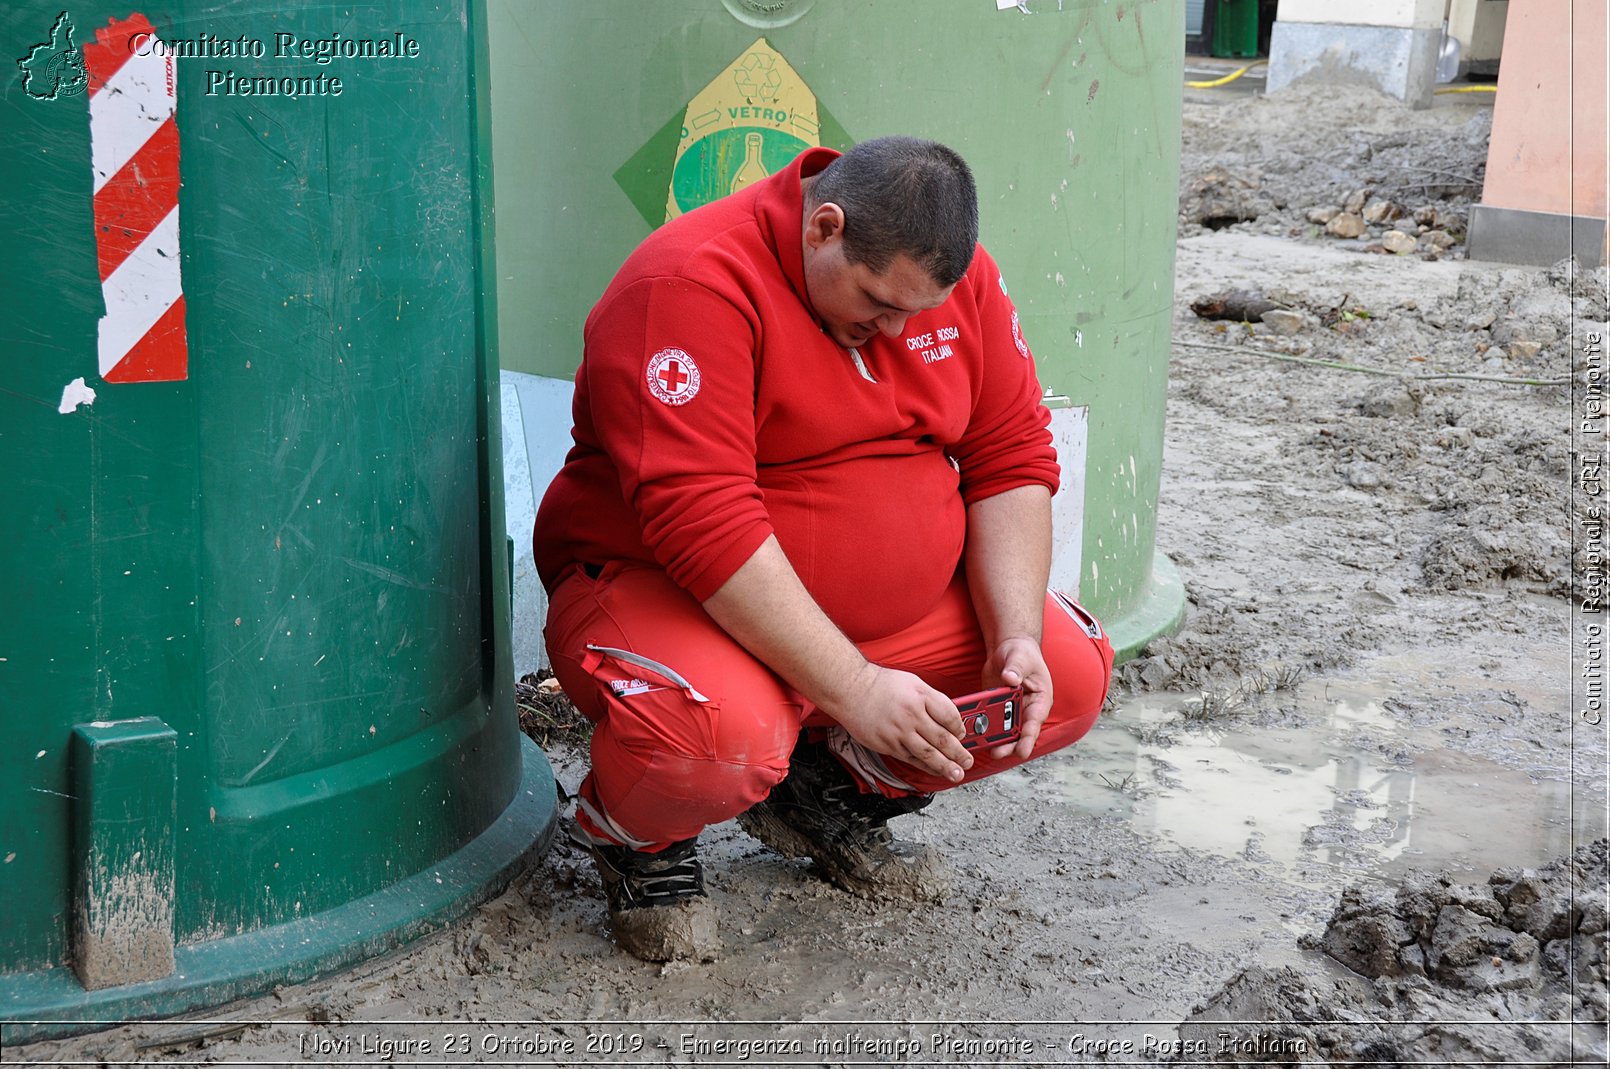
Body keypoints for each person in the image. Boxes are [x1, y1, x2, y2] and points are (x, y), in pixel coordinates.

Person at [533, 136, 1114, 962]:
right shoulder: (690, 281)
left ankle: (819, 790)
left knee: (1067, 675)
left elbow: (1011, 456)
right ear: (824, 228)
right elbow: (703, 521)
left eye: (918, 311)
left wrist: (1015, 633)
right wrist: (857, 686)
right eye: (879, 303)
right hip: (661, 587)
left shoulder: (946, 281)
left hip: (871, 627)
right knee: (719, 740)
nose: (898, 331)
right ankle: (634, 835)